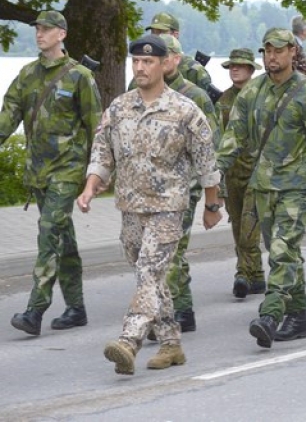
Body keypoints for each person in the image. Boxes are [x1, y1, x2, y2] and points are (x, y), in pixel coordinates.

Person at [77, 34, 221, 376]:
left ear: (163, 64)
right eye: (136, 61)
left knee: (148, 272)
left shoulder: (185, 111)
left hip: (168, 207)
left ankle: (129, 340)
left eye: (148, 62)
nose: (140, 67)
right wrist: (90, 185)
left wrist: (212, 206)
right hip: (130, 206)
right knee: (151, 277)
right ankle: (171, 344)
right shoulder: (119, 107)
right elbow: (102, 150)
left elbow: (206, 162)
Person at [216, 28, 306, 348]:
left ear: (292, 54)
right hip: (263, 185)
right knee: (284, 253)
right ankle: (298, 318)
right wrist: (214, 173)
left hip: (297, 184)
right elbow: (234, 136)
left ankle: (270, 314)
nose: (272, 56)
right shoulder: (252, 91)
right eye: (267, 50)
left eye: (279, 50)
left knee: (283, 251)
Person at [7, 11, 102, 337]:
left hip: (67, 170)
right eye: (37, 29)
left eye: (46, 29)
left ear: (61, 34)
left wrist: (97, 176)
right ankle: (76, 307)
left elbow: (97, 129)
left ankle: (36, 309)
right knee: (64, 238)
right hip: (39, 173)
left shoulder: (79, 77)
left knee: (49, 235)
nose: (39, 34)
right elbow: (8, 117)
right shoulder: (27, 75)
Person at [158, 35, 222, 333]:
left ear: (177, 59)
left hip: (185, 186)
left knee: (171, 248)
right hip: (149, 187)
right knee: (162, 251)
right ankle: (183, 309)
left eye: (166, 56)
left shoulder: (194, 95)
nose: (160, 62)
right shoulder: (140, 90)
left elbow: (210, 146)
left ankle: (169, 315)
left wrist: (213, 200)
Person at [217, 48, 266, 299]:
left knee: (249, 225)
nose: (235, 69)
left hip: (256, 171)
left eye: (240, 66)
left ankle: (242, 273)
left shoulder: (261, 96)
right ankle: (256, 275)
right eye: (231, 66)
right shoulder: (223, 100)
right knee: (238, 225)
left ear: (250, 70)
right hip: (232, 173)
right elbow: (219, 137)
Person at [143, 12, 212, 92]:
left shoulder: (194, 71)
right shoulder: (144, 69)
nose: (156, 37)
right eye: (153, 33)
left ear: (175, 35)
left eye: (161, 32)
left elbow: (204, 101)